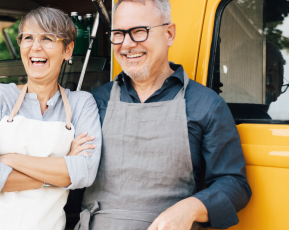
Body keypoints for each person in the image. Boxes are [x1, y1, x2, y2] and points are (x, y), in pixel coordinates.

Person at [75, 0, 252, 230]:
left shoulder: (207, 105)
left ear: (169, 34)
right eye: (118, 34)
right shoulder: (94, 102)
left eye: (139, 31)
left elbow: (234, 184)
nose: (127, 44)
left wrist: (191, 207)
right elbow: (69, 174)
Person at [0, 7, 102, 230]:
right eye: (28, 38)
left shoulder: (81, 103)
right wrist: (60, 175)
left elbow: (85, 173)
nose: (35, 47)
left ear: (68, 49)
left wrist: (10, 159)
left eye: (47, 38)